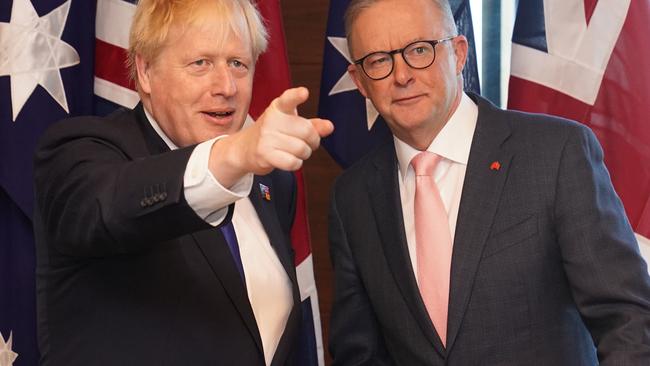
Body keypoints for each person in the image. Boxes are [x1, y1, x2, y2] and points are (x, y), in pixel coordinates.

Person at [327, 0, 650, 364]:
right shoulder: (351, 199)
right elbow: (360, 354)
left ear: (459, 54)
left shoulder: (555, 153)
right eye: (379, 61)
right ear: (359, 81)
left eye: (420, 50)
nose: (402, 75)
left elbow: (629, 321)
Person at [33, 0, 332, 365]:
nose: (226, 86)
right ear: (144, 71)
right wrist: (233, 156)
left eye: (238, 63)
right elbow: (111, 206)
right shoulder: (79, 152)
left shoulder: (273, 185)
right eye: (200, 63)